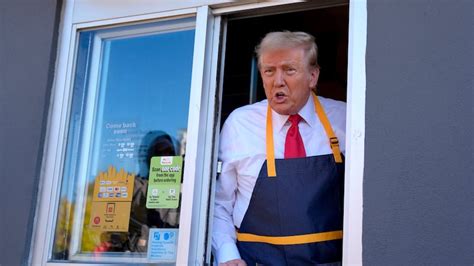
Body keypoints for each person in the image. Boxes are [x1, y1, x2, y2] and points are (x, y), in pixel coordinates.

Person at [212, 31, 346, 265]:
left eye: (289, 70)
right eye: (269, 71)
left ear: (313, 76)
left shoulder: (347, 118)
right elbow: (219, 202)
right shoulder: (239, 124)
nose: (278, 81)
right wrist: (227, 255)